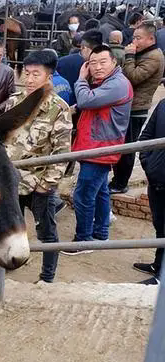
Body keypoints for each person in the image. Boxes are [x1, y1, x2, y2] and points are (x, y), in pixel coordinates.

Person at [0, 50, 72, 282]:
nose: (30, 79)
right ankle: (5, 265)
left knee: (46, 232)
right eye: (27, 73)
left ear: (49, 76)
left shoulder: (59, 108)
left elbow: (62, 152)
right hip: (11, 180)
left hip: (38, 184)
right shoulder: (15, 101)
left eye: (36, 74)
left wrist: (46, 185)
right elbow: (1, 137)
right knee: (7, 227)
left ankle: (47, 277)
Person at [66, 45, 132, 254]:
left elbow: (86, 100)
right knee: (101, 191)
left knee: (83, 195)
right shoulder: (108, 82)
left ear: (114, 62)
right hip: (95, 145)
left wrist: (80, 78)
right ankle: (101, 232)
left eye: (103, 62)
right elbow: (89, 104)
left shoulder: (118, 84)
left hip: (100, 149)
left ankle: (83, 240)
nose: (97, 67)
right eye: (92, 63)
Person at [109, 24, 165, 194]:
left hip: (136, 108)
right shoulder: (146, 53)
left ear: (151, 39)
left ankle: (121, 183)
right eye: (133, 37)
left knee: (127, 147)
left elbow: (132, 77)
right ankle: (117, 179)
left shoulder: (154, 57)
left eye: (138, 38)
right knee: (121, 143)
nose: (134, 41)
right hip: (129, 106)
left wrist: (130, 56)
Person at [132, 98, 165, 285]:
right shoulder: (162, 105)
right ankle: (159, 264)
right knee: (160, 227)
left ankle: (161, 278)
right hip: (156, 180)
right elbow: (145, 138)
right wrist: (149, 164)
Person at [56, 30, 103, 107]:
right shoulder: (106, 66)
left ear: (83, 47)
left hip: (67, 106)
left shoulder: (63, 61)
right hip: (92, 107)